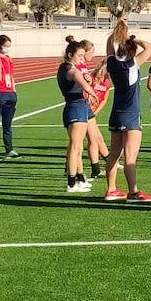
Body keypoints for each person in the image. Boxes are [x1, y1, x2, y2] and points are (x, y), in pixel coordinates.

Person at [103, 20, 151, 202]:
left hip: (116, 113)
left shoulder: (111, 63)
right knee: (130, 157)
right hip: (131, 114)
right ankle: (133, 192)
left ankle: (111, 189)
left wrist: (119, 32)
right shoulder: (132, 64)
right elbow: (150, 47)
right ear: (132, 51)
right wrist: (133, 38)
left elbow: (109, 44)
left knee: (114, 153)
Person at [58, 39, 99, 193]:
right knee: (75, 147)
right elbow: (83, 84)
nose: (82, 59)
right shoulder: (71, 69)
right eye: (80, 56)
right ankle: (71, 182)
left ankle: (80, 178)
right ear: (70, 55)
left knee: (77, 147)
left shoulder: (66, 68)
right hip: (76, 107)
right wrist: (93, 93)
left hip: (75, 107)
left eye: (83, 55)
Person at [69, 37, 111, 180]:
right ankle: (74, 175)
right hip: (80, 106)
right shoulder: (75, 67)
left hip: (86, 106)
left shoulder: (83, 67)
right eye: (90, 52)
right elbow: (83, 84)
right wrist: (91, 93)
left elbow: (103, 98)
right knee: (78, 143)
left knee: (93, 138)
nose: (92, 55)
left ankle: (94, 169)